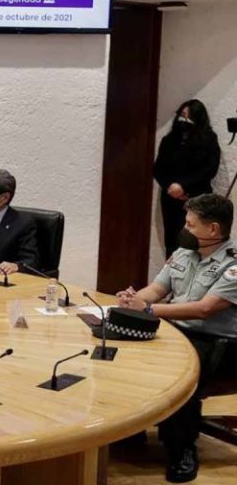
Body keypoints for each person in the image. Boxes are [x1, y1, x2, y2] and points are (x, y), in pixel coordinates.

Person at [116, 193, 237, 483]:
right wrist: (133, 299)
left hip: (219, 344)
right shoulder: (184, 252)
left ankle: (181, 450)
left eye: (190, 224)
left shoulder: (233, 265)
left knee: (178, 372)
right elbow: (157, 290)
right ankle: (130, 433)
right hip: (177, 330)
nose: (184, 229)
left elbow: (205, 309)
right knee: (123, 352)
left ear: (213, 229)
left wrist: (148, 309)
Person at [154, 99, 220, 258]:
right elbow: (158, 169)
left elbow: (209, 169)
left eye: (189, 117)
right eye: (182, 115)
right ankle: (172, 272)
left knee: (193, 242)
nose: (184, 120)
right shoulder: (169, 140)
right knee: (172, 242)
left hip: (196, 198)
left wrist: (183, 187)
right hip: (171, 198)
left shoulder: (208, 140)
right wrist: (170, 187)